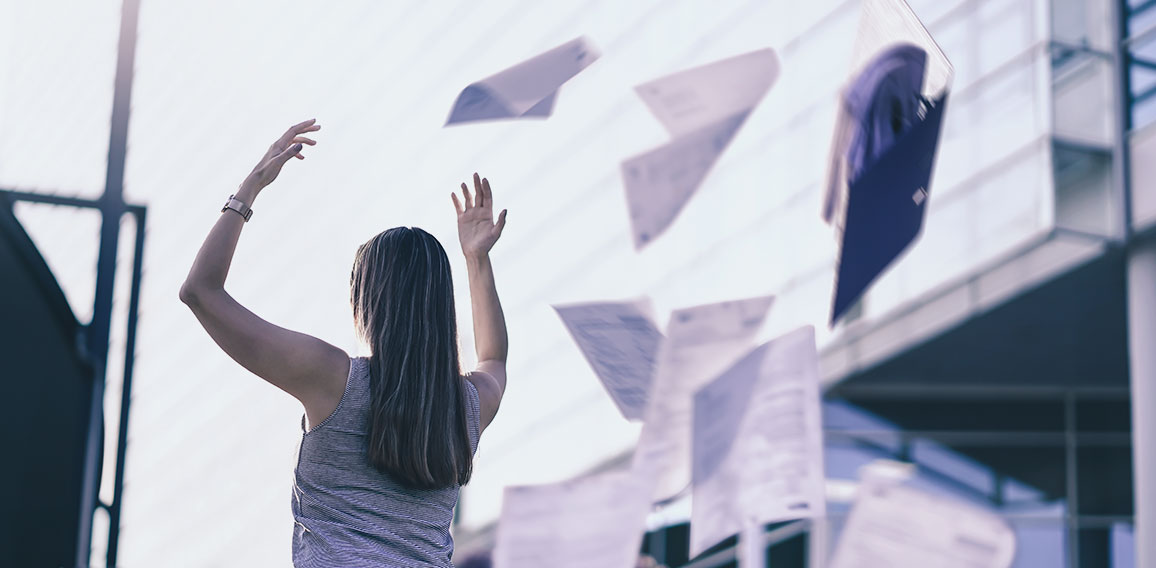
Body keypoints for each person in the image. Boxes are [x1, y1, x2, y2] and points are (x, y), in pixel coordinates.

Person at [180, 119, 509, 567]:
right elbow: (493, 356)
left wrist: (250, 188)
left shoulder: (332, 377)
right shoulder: (466, 405)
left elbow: (200, 291)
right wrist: (476, 260)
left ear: (366, 301)